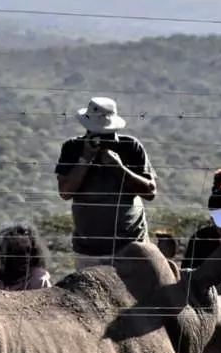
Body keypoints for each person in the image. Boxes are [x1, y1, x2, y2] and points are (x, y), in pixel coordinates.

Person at [55, 96, 157, 270]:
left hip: (131, 246)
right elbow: (65, 192)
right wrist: (85, 158)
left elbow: (150, 192)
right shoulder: (72, 148)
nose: (101, 138)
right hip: (88, 251)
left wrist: (118, 167)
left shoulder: (130, 147)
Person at [0, 223, 53, 291]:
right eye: (19, 252)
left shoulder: (39, 278)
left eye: (29, 251)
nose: (26, 257)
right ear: (7, 254)